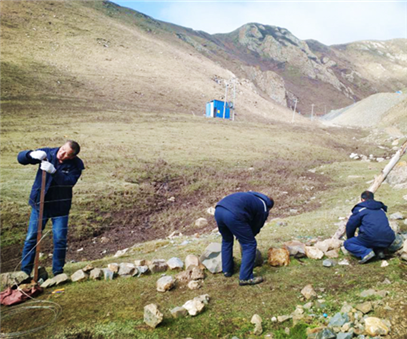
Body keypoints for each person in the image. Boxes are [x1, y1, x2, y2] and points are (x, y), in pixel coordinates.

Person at [18, 141, 84, 276]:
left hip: (60, 209)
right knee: (31, 237)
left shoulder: (77, 165)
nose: (62, 153)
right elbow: (20, 159)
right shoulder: (48, 153)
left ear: (72, 157)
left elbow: (68, 183)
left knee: (59, 239)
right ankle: (25, 272)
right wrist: (30, 154)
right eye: (62, 149)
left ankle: (58, 271)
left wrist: (54, 172)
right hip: (40, 205)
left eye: (66, 154)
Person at [214, 191, 274, 286]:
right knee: (250, 244)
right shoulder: (264, 206)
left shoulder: (252, 196)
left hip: (219, 210)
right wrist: (247, 237)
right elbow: (257, 225)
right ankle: (245, 278)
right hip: (233, 213)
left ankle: (227, 270)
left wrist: (242, 234)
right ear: (270, 206)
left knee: (227, 240)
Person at [344, 190, 402, 264]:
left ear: (362, 200)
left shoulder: (361, 209)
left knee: (348, 243)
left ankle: (366, 252)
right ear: (373, 198)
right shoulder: (380, 208)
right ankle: (380, 251)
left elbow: (351, 225)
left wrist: (350, 238)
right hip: (388, 238)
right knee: (375, 233)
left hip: (370, 238)